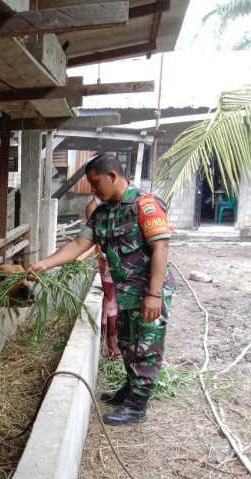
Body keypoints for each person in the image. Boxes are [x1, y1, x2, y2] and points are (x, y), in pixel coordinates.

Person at [29, 154, 176, 426]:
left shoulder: (146, 204)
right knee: (127, 342)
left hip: (148, 294)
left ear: (112, 176)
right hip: (126, 293)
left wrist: (154, 294)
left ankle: (137, 406)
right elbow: (78, 245)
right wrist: (43, 264)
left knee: (146, 346)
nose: (93, 190)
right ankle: (130, 389)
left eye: (96, 183)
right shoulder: (103, 213)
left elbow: (161, 248)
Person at [85, 195, 121, 359]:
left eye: (96, 182)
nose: (93, 189)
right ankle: (111, 347)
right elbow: (89, 241)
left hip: (130, 277)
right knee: (111, 307)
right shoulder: (96, 208)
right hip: (107, 264)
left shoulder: (139, 204)